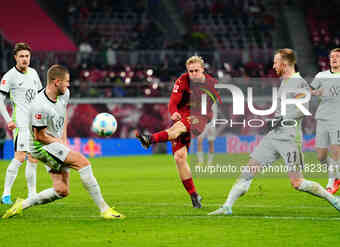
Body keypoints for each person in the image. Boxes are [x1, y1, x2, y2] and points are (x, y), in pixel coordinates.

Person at [209, 48, 340, 216]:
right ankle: (227, 206)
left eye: (276, 62)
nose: (273, 65)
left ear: (285, 64)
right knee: (248, 170)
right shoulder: (285, 81)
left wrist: (282, 119)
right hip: (274, 136)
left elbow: (302, 109)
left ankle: (334, 200)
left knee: (297, 183)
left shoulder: (298, 82)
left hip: (290, 138)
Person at [2, 65, 125, 219]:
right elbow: (39, 136)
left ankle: (22, 204)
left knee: (62, 190)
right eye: (66, 81)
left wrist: (64, 139)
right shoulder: (39, 106)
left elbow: (63, 113)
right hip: (40, 146)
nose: (69, 84)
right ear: (56, 82)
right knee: (83, 163)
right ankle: (104, 210)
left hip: (53, 141)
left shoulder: (64, 93)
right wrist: (58, 143)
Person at [136, 56, 221, 208]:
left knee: (177, 129)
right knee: (179, 157)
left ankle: (150, 139)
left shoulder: (211, 84)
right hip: (181, 116)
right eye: (190, 71)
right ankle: (195, 196)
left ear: (202, 70)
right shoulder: (182, 80)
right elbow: (173, 101)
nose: (193, 74)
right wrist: (173, 112)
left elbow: (210, 106)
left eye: (196, 70)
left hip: (200, 116)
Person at [0, 43, 42, 204]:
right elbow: (0, 100)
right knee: (20, 156)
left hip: (34, 123)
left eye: (27, 56)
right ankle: (6, 194)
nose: (25, 59)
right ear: (15, 58)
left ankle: (32, 194)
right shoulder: (9, 76)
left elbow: (39, 97)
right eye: (21, 56)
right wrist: (8, 120)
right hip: (21, 123)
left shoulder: (33, 73)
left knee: (33, 158)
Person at [310, 48, 340, 194]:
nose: (334, 59)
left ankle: (332, 181)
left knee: (336, 151)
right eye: (332, 57)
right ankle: (337, 176)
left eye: (337, 57)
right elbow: (309, 90)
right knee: (321, 156)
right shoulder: (321, 75)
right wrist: (316, 92)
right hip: (322, 117)